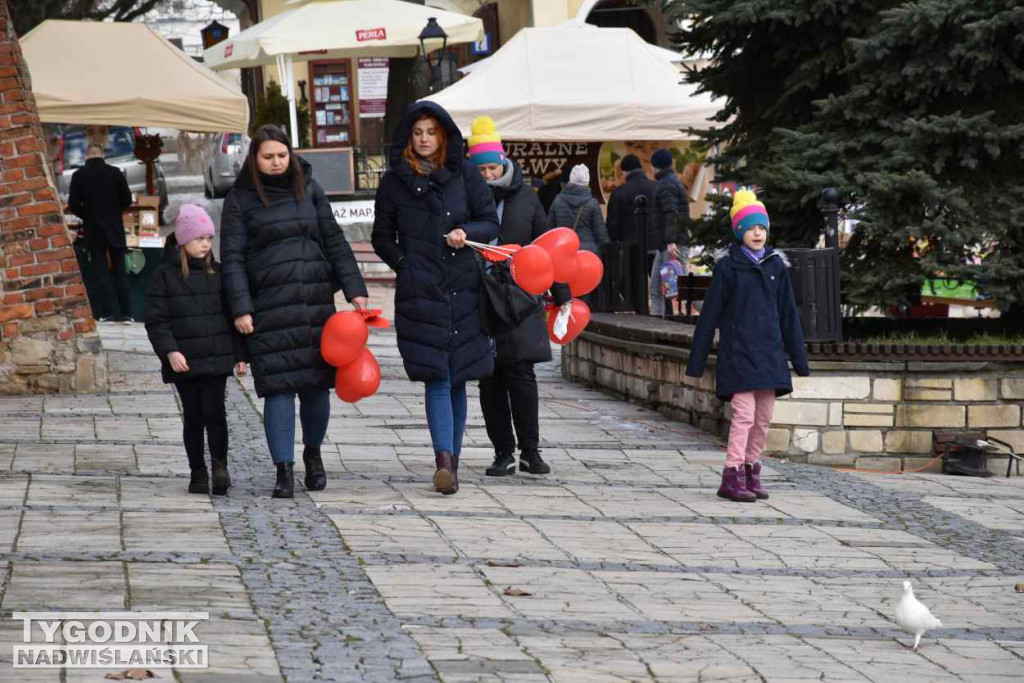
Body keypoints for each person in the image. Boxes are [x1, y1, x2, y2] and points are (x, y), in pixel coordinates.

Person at [221, 125, 368, 499]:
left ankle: (314, 456)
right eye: (268, 157)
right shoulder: (240, 199)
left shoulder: (310, 188)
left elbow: (334, 239)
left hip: (315, 303)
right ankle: (283, 470)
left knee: (317, 389)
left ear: (291, 154)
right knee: (279, 391)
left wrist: (355, 290)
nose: (276, 163)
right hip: (269, 308)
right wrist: (241, 308)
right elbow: (233, 258)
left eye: (281, 156)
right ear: (254, 159)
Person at [372, 102, 499, 496]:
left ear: (442, 134)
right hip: (421, 287)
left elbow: (490, 222)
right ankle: (443, 460)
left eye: (431, 132)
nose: (424, 139)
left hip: (464, 286)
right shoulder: (394, 182)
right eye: (417, 132)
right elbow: (381, 236)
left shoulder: (464, 174)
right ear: (408, 137)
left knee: (458, 376)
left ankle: (453, 465)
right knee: (437, 376)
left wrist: (465, 231)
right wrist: (405, 264)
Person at [685, 190, 809, 502]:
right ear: (740, 231)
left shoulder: (775, 267)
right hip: (738, 353)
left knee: (763, 417)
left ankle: (753, 470)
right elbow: (710, 315)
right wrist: (696, 363)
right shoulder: (729, 268)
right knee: (744, 415)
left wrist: (799, 359)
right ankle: (732, 474)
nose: (757, 233)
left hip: (769, 354)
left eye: (762, 228)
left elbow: (788, 315)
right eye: (751, 227)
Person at [467, 116, 571, 477]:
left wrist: (561, 292)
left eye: (492, 168)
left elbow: (545, 245)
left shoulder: (525, 198)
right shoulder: (465, 198)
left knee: (522, 374)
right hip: (480, 296)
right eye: (480, 170)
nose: (487, 176)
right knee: (490, 376)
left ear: (504, 163)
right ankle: (502, 452)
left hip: (522, 296)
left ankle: (531, 450)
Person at [144, 203, 247, 496]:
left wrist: (240, 355)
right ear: (182, 240)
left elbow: (233, 316)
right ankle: (197, 471)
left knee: (216, 412)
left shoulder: (220, 274)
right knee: (193, 415)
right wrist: (170, 351)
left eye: (209, 238)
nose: (205, 244)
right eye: (199, 238)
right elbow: (157, 321)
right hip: (185, 360)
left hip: (216, 357)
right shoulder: (164, 276)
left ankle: (219, 467)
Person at [68, 142, 133, 322]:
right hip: (115, 228)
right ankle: (127, 313)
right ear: (103, 154)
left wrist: (87, 215)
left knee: (100, 271)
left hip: (93, 230)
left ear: (87, 155)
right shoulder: (115, 173)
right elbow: (127, 200)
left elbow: (73, 205)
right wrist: (115, 211)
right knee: (120, 271)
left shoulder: (79, 175)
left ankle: (106, 313)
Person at [649, 148, 689, 316]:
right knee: (656, 289)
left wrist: (671, 241)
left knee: (677, 291)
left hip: (672, 245)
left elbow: (672, 213)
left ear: (656, 166)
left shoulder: (667, 185)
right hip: (665, 244)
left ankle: (710, 313)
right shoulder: (670, 182)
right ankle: (656, 324)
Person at [547, 164, 608, 254]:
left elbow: (550, 231)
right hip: (588, 254)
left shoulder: (557, 201)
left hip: (564, 250)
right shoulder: (592, 203)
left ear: (571, 180)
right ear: (587, 182)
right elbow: (601, 234)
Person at [604, 154, 657, 243]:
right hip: (656, 246)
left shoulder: (618, 193)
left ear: (624, 172)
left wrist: (613, 243)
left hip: (629, 249)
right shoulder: (657, 188)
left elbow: (612, 226)